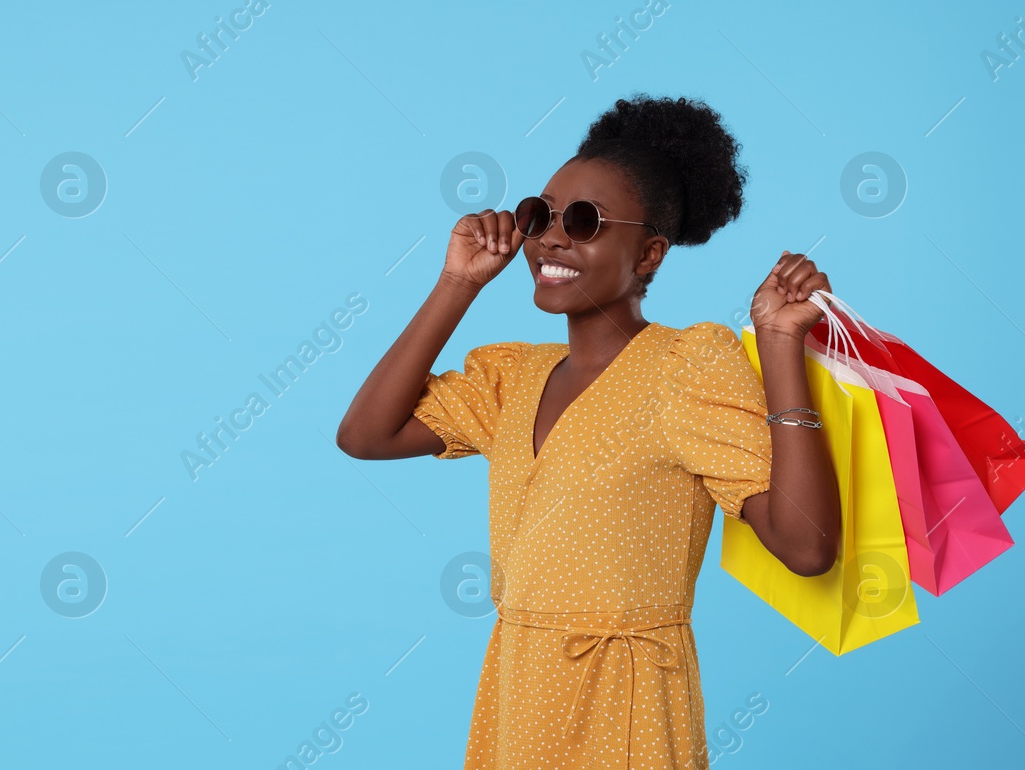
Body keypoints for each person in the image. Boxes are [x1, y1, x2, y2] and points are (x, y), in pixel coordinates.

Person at [334, 93, 841, 769]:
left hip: (622, 708)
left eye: (585, 221)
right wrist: (457, 283)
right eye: (539, 216)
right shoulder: (511, 378)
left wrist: (780, 345)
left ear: (649, 253)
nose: (551, 238)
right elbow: (364, 435)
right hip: (517, 695)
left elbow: (807, 546)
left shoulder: (686, 370)